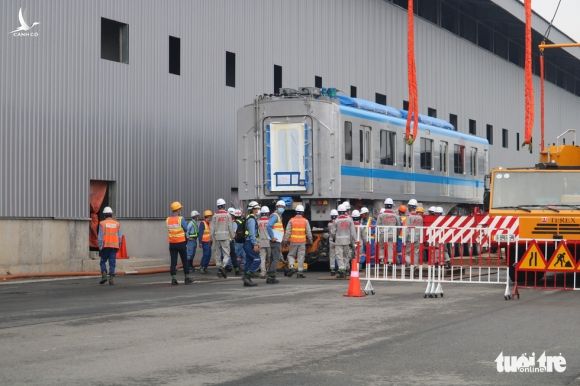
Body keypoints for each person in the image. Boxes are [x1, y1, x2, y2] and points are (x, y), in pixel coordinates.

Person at [283, 205, 313, 278]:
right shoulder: (305, 221)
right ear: (302, 213)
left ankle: (292, 267)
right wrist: (310, 240)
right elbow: (308, 232)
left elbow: (288, 232)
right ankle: (300, 272)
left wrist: (285, 240)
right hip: (302, 241)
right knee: (301, 256)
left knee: (291, 255)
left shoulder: (291, 220)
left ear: (296, 212)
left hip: (293, 241)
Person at [166, 201, 191, 285]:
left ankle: (173, 279)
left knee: (173, 261)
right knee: (184, 260)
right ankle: (187, 278)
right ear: (178, 209)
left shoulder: (168, 219)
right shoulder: (181, 219)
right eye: (180, 208)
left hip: (172, 243)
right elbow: (186, 228)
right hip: (181, 242)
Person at [211, 198, 235, 279]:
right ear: (224, 205)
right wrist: (233, 236)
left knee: (217, 253)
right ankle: (223, 266)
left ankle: (219, 268)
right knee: (226, 253)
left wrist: (211, 237)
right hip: (225, 236)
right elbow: (230, 227)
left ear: (218, 206)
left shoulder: (214, 215)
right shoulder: (228, 215)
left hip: (216, 237)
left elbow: (212, 228)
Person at [331, 204, 356, 279]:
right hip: (347, 241)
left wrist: (333, 238)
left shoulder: (336, 221)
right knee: (346, 256)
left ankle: (341, 269)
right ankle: (344, 269)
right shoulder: (349, 220)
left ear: (338, 212)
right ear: (345, 211)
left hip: (338, 241)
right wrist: (353, 242)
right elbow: (353, 232)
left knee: (339, 256)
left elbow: (333, 232)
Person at [97, 206, 121, 285]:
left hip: (105, 246)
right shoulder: (117, 224)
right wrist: (119, 246)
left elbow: (100, 237)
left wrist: (100, 247)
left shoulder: (102, 223)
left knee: (103, 261)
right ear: (111, 215)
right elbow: (119, 237)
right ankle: (111, 278)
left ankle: (104, 275)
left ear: (104, 215)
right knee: (112, 262)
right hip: (114, 246)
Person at [265, 200, 286, 284]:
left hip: (276, 240)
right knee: (275, 259)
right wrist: (272, 237)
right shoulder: (275, 216)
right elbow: (269, 225)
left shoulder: (277, 216)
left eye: (283, 207)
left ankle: (269, 276)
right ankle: (272, 277)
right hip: (275, 241)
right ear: (277, 207)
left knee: (273, 258)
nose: (282, 208)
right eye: (280, 207)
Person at [376, 198, 401, 265]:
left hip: (382, 234)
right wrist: (397, 234)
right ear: (392, 205)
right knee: (391, 247)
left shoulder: (381, 215)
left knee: (381, 246)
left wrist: (378, 234)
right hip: (392, 234)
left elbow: (377, 225)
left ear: (385, 205)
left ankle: (381, 259)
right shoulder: (396, 216)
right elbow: (399, 226)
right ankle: (390, 261)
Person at [243, 201, 262, 287]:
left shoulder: (251, 218)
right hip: (250, 243)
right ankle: (247, 276)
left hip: (248, 242)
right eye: (256, 208)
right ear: (252, 209)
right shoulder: (251, 219)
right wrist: (255, 244)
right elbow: (252, 233)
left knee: (249, 261)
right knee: (257, 260)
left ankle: (247, 280)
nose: (258, 209)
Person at [405, 199, 423, 266]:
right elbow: (421, 229)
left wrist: (404, 239)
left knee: (406, 253)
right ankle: (415, 265)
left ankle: (410, 263)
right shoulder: (420, 217)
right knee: (416, 253)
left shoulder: (409, 217)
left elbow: (407, 229)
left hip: (409, 238)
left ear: (409, 207)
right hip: (417, 238)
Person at [257, 206, 272, 279]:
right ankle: (269, 271)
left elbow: (257, 232)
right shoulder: (270, 221)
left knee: (262, 258)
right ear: (267, 213)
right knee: (269, 258)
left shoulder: (258, 221)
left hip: (261, 241)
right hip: (269, 242)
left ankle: (263, 272)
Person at [198, 210, 213, 274]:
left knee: (209, 255)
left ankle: (205, 267)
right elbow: (200, 233)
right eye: (209, 217)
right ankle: (202, 267)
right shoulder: (202, 223)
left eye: (210, 217)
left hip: (208, 242)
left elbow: (209, 233)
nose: (210, 218)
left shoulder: (208, 223)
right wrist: (200, 242)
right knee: (206, 254)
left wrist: (211, 240)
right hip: (204, 242)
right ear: (206, 217)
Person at [227, 208, 241, 276]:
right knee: (233, 255)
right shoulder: (233, 223)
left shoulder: (232, 222)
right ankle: (236, 269)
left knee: (229, 255)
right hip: (230, 240)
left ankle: (229, 268)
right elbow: (234, 234)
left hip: (227, 241)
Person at [233, 209, 246, 274]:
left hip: (237, 241)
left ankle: (237, 268)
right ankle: (243, 266)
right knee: (243, 254)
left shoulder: (235, 222)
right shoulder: (243, 221)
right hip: (243, 240)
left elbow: (234, 233)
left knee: (237, 254)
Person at [327, 209, 339, 276]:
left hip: (331, 241)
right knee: (338, 255)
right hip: (337, 240)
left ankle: (332, 269)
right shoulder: (338, 223)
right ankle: (339, 268)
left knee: (332, 255)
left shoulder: (329, 224)